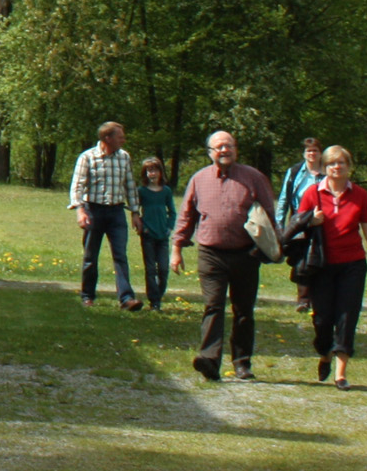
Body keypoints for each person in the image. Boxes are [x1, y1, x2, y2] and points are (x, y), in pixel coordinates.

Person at [173, 130, 276, 381]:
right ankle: (209, 359)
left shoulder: (253, 177)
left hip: (246, 254)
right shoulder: (199, 179)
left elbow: (270, 214)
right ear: (210, 153)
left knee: (243, 310)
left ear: (235, 149)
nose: (224, 150)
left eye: (228, 146)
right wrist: (177, 247)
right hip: (211, 254)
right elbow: (187, 215)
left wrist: (269, 246)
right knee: (213, 306)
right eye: (218, 147)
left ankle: (242, 362)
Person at [291, 145, 367, 387]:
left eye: (341, 163)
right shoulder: (313, 193)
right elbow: (297, 225)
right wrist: (312, 219)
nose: (337, 167)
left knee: (347, 316)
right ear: (324, 168)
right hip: (321, 264)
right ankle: (325, 353)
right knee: (323, 319)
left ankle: (341, 372)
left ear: (349, 167)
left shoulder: (360, 195)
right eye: (331, 163)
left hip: (352, 264)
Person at [68, 121, 143, 310]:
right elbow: (77, 185)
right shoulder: (88, 157)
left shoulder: (124, 157)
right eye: (120, 136)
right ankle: (87, 295)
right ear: (107, 138)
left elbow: (130, 186)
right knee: (90, 256)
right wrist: (80, 210)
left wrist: (135, 212)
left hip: (116, 212)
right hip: (94, 210)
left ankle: (126, 299)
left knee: (120, 255)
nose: (123, 140)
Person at [277, 137, 324, 313]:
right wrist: (279, 225)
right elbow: (284, 199)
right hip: (299, 222)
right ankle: (303, 300)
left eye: (315, 151)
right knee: (301, 260)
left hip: (322, 222)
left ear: (321, 153)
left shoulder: (327, 172)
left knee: (320, 258)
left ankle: (319, 298)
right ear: (304, 154)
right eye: (308, 151)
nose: (312, 154)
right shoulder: (295, 172)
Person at [134, 157, 176, 312]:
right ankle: (154, 301)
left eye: (155, 170)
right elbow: (135, 210)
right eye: (149, 171)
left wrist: (169, 228)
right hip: (148, 235)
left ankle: (159, 294)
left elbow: (172, 212)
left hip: (162, 236)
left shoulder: (166, 191)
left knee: (164, 269)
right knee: (150, 269)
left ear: (160, 172)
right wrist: (141, 226)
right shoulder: (142, 191)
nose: (152, 173)